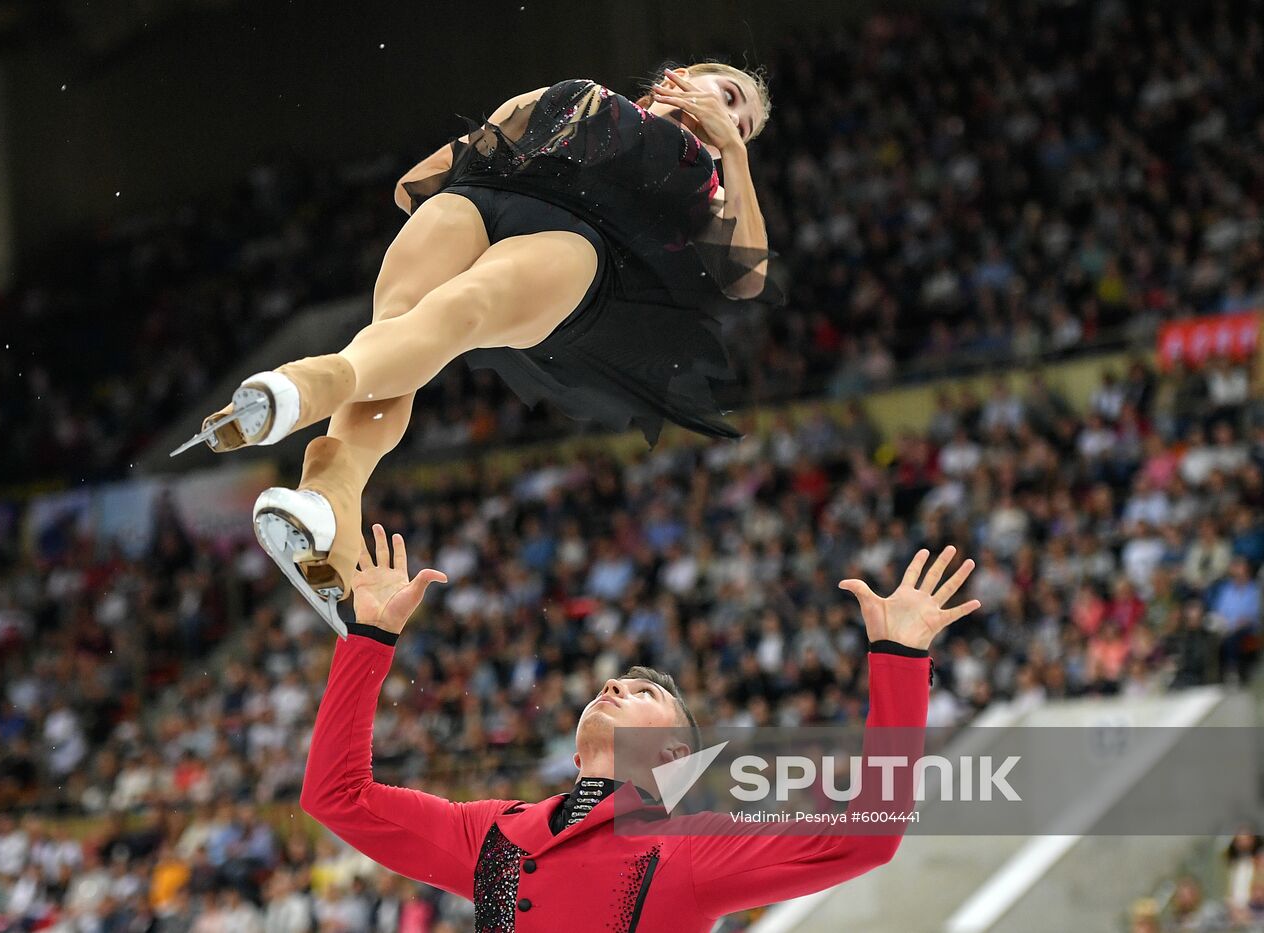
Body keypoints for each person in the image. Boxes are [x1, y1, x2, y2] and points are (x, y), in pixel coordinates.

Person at [171, 64, 783, 630]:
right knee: (397, 338)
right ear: (679, 77)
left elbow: (744, 276)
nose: (731, 114)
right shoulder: (585, 94)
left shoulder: (709, 181)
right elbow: (439, 167)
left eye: (745, 122)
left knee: (454, 314)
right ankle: (329, 499)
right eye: (727, 93)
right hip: (478, 201)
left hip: (578, 243)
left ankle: (305, 387)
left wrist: (731, 150)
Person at [298, 527, 978, 929]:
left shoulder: (689, 848)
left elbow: (866, 836)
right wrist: (368, 638)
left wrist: (899, 660)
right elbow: (336, 796)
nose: (614, 684)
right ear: (573, 748)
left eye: (644, 691)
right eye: (610, 684)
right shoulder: (493, 835)